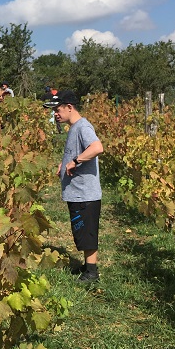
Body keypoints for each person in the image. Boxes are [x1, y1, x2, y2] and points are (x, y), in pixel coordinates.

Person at [43, 91, 104, 283]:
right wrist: (64, 163)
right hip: (78, 193)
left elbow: (97, 147)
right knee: (82, 231)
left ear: (69, 107)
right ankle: (87, 265)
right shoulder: (74, 128)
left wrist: (75, 161)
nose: (55, 114)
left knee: (87, 232)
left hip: (85, 193)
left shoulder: (83, 127)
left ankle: (92, 273)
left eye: (57, 109)